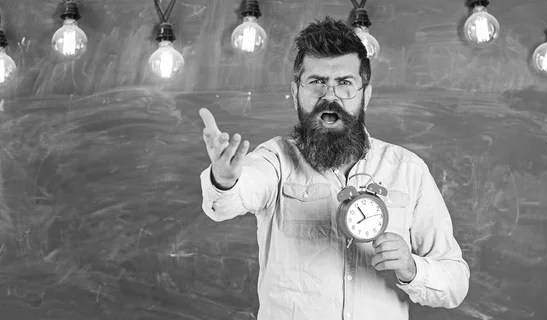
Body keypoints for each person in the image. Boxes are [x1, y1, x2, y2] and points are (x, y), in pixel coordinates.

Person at [198, 16, 469, 320]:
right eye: (316, 82)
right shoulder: (275, 159)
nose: (330, 95)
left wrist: (411, 268)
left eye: (344, 83)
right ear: (295, 91)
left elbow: (455, 284)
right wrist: (224, 178)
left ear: (365, 94)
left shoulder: (408, 170)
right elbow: (231, 198)